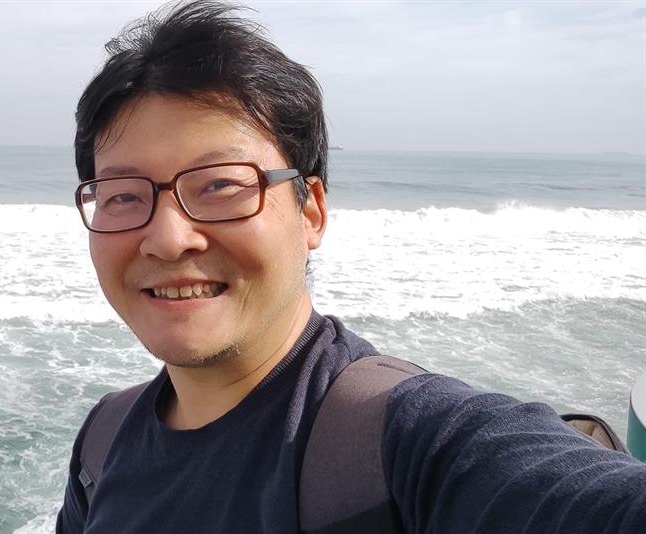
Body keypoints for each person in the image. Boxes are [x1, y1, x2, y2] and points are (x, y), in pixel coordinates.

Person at [55, 1, 646, 533]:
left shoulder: (408, 445)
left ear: (310, 211)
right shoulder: (103, 442)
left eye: (220, 185)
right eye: (124, 195)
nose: (167, 239)